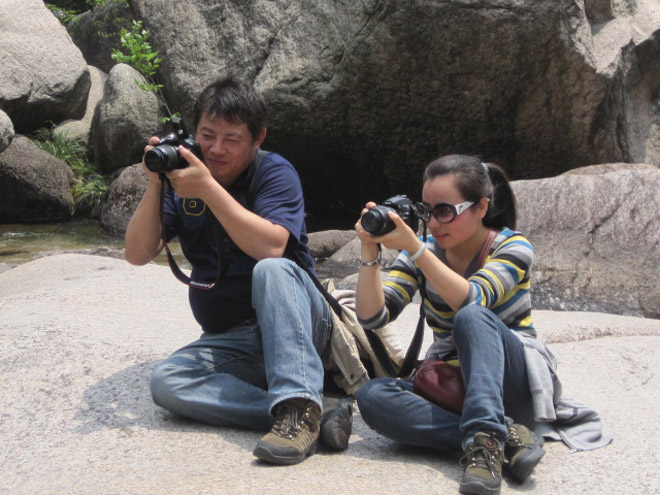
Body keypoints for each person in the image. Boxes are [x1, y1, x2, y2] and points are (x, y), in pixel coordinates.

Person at [124, 75, 352, 466]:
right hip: (233, 340)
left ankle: (298, 407)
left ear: (258, 138)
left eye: (231, 139)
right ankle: (314, 411)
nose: (216, 149)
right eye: (207, 135)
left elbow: (271, 247)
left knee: (272, 270)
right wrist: (156, 185)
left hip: (299, 326)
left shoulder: (274, 172)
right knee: (167, 383)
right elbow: (137, 253)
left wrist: (208, 189)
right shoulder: (182, 178)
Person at [353, 154, 610, 495]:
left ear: (481, 207)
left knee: (471, 316)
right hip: (456, 387)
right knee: (372, 396)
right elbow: (373, 317)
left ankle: (486, 441)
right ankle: (504, 437)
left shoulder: (512, 246)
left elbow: (472, 299)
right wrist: (369, 251)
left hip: (514, 383)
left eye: (446, 211)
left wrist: (415, 249)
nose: (434, 223)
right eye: (427, 211)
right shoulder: (422, 252)